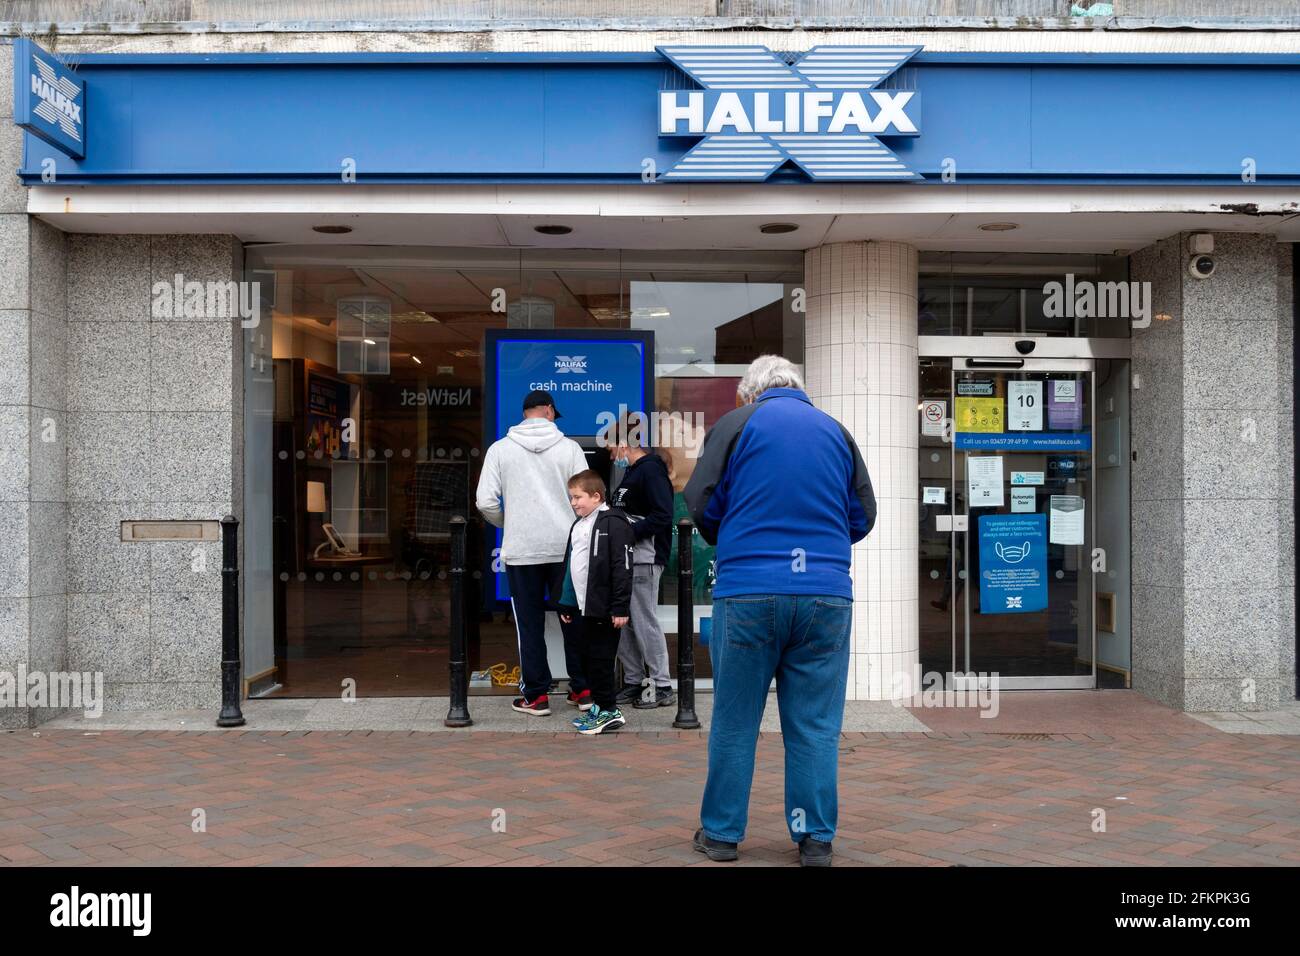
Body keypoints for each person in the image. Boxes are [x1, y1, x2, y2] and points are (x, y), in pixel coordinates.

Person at [683, 355, 876, 867]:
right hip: (825, 594)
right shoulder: (836, 431)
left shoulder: (737, 424)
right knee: (814, 724)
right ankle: (814, 839)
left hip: (748, 590)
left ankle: (723, 834)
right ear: (798, 387)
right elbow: (863, 515)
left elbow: (700, 500)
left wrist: (734, 538)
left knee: (735, 720)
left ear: (751, 393)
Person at [475, 389, 589, 716]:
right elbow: (587, 498)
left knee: (529, 624)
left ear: (526, 413)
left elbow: (484, 501)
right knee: (573, 619)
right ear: (550, 411)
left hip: (522, 550)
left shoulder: (501, 450)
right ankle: (582, 690)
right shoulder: (570, 449)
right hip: (564, 548)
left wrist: (510, 522)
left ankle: (536, 696)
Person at [557, 470, 635, 735]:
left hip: (604, 607)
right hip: (583, 608)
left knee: (602, 659)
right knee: (589, 658)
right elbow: (570, 566)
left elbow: (622, 567)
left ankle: (610, 710)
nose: (573, 503)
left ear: (596, 496)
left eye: (578, 497)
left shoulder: (614, 522)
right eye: (571, 498)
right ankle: (600, 707)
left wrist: (620, 606)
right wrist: (567, 602)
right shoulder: (578, 524)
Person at [608, 414, 676, 709]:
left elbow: (663, 515)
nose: (611, 455)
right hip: (626, 558)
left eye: (612, 448)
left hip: (644, 558)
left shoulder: (650, 471)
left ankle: (662, 684)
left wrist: (627, 533)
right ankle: (634, 681)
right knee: (624, 621)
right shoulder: (634, 472)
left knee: (643, 619)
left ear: (624, 444)